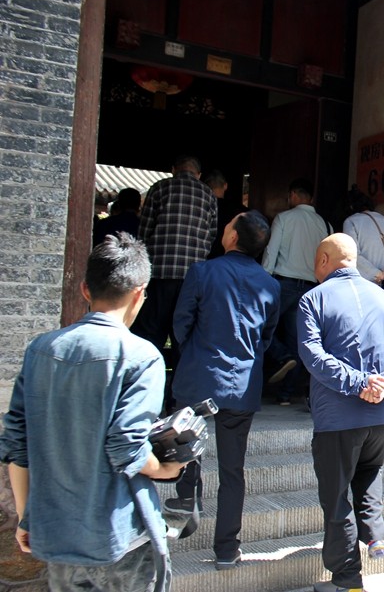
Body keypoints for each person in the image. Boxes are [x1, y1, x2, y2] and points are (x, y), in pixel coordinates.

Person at [0, 233, 187, 591]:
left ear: (85, 289)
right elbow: (127, 447)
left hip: (55, 532)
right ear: (139, 293)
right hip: (119, 536)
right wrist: (166, 468)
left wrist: (27, 517)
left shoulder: (40, 349)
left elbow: (17, 445)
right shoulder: (141, 356)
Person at [298, 233, 384, 592]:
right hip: (383, 414)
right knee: (370, 470)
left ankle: (347, 580)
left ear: (324, 260)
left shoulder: (313, 299)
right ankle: (375, 534)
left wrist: (359, 382)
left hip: (338, 416)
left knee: (336, 497)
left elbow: (312, 355)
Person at [164, 211, 280, 570]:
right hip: (242, 384)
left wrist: (193, 352)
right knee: (233, 470)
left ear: (232, 238)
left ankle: (188, 501)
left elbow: (181, 322)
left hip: (199, 376)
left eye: (228, 225)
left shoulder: (202, 272)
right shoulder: (271, 285)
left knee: (185, 448)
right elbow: (266, 337)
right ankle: (227, 548)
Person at [134, 155, 217, 410]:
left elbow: (144, 231)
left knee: (151, 335)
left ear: (173, 170)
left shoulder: (160, 188)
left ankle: (147, 398)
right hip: (192, 278)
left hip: (159, 273)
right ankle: (179, 402)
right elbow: (211, 235)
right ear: (198, 174)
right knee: (184, 340)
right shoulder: (208, 195)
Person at [261, 177, 332, 404]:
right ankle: (286, 394)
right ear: (311, 198)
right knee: (298, 340)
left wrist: (262, 280)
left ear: (292, 195)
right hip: (311, 288)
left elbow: (271, 252)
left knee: (260, 326)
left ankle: (281, 357)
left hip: (284, 284)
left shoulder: (284, 218)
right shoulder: (325, 225)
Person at [342, 185, 384, 298]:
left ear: (350, 207)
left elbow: (352, 255)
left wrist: (378, 275)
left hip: (365, 290)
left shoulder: (351, 222)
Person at [202, 169, 247, 259]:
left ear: (205, 187)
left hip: (206, 256)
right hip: (230, 257)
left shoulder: (202, 208)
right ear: (225, 186)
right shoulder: (238, 210)